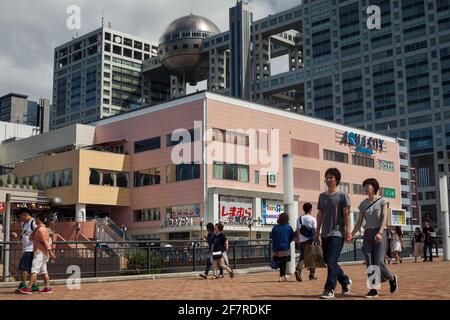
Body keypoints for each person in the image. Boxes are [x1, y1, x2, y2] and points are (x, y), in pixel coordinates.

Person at [351, 178, 398, 298]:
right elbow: (359, 222)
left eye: (368, 185)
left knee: (379, 262)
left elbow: (383, 217)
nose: (366, 188)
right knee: (369, 262)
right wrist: (351, 234)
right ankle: (374, 289)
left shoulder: (383, 201)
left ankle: (392, 278)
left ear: (374, 187)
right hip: (367, 234)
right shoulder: (363, 204)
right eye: (365, 186)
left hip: (379, 232)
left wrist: (380, 232)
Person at [315, 168, 352, 299]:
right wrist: (317, 232)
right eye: (327, 177)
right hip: (325, 233)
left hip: (338, 233)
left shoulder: (343, 195)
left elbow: (347, 215)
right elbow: (319, 215)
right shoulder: (322, 196)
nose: (329, 179)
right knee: (329, 261)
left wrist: (348, 232)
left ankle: (329, 288)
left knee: (331, 260)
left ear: (337, 179)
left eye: (331, 177)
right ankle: (345, 280)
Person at [18, 214, 56, 294]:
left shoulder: (41, 229)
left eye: (36, 218)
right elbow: (31, 238)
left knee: (34, 270)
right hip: (42, 252)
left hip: (40, 252)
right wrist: (34, 231)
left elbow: (45, 242)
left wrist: (50, 252)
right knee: (44, 271)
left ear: (39, 219)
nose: (34, 220)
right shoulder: (39, 228)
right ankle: (47, 287)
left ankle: (29, 288)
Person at [11, 208, 39, 293]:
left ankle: (23, 284)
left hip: (30, 250)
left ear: (25, 215)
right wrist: (16, 236)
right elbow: (23, 236)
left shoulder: (33, 223)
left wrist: (36, 249)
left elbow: (39, 235)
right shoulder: (24, 224)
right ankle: (34, 285)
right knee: (30, 269)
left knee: (24, 267)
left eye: (21, 217)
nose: (20, 219)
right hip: (25, 249)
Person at [294, 203, 317, 282]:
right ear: (310, 209)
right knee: (312, 257)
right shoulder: (313, 219)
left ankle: (298, 270)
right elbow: (315, 231)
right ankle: (311, 275)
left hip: (302, 240)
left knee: (302, 257)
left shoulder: (299, 219)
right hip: (310, 240)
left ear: (303, 209)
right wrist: (319, 240)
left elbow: (297, 230)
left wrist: (299, 240)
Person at [271, 213, 295, 282]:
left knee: (281, 262)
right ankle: (281, 276)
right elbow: (292, 236)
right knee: (283, 262)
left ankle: (283, 275)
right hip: (285, 248)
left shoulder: (275, 227)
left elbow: (272, 237)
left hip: (276, 248)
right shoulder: (288, 227)